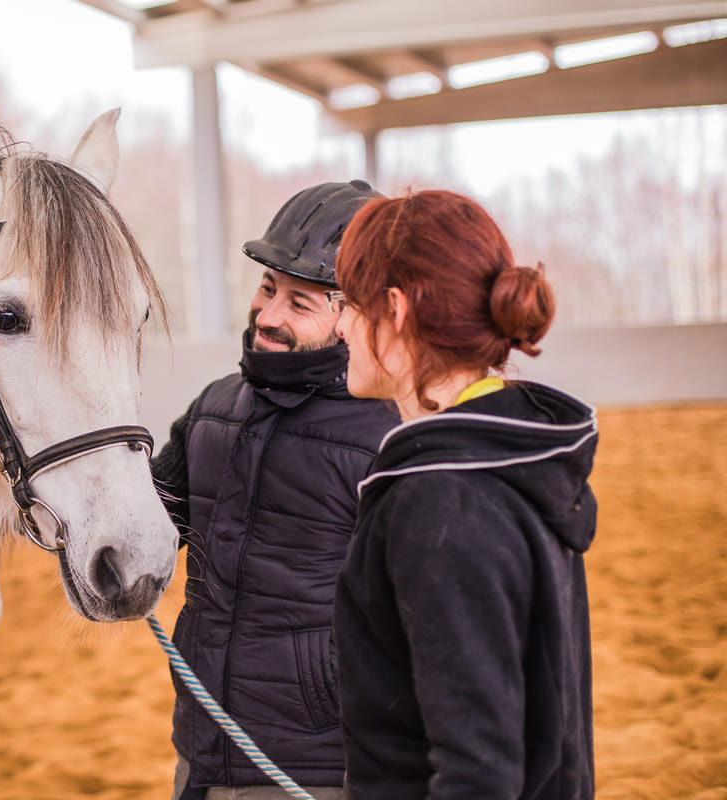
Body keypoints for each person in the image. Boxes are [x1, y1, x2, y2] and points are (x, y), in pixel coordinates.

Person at [330, 189, 597, 799]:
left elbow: (478, 771)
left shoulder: (442, 499)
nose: (340, 325)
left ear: (394, 309)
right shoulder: (512, 455)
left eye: (348, 303)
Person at [151, 180, 401, 800]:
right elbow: (143, 529)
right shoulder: (213, 407)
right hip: (199, 756)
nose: (267, 316)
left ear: (354, 315)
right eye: (267, 288)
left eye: (299, 302)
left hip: (316, 772)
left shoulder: (390, 439)